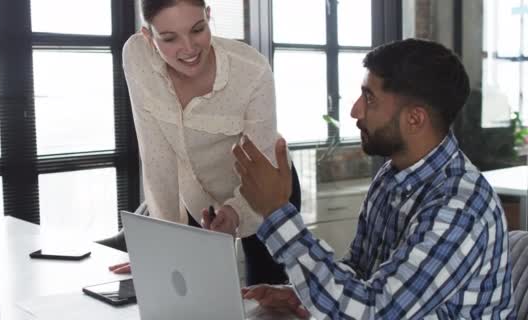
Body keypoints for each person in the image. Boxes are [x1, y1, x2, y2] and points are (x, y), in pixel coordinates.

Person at [233, 38, 517, 319]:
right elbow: (360, 274)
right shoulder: (391, 176)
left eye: (370, 98)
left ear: (415, 119)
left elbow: (373, 313)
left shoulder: (460, 208)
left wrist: (277, 212)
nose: (355, 110)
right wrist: (303, 297)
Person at [107, 0, 297, 286]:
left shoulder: (251, 70)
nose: (189, 48)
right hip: (197, 195)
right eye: (169, 38)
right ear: (148, 36)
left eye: (197, 30)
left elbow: (263, 157)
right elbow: (156, 158)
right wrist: (158, 247)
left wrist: (234, 212)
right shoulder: (137, 57)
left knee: (266, 293)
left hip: (263, 187)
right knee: (196, 288)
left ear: (208, 17)